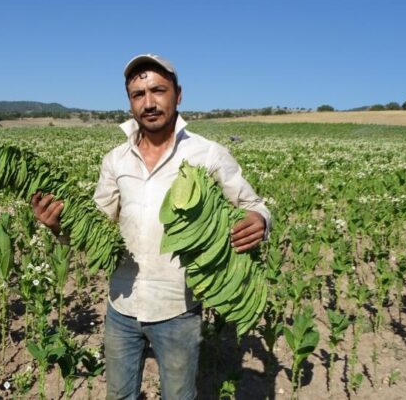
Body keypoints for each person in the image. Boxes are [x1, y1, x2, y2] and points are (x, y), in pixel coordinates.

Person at [32, 54, 271, 400]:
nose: (149, 102)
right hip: (121, 307)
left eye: (158, 90)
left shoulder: (208, 155)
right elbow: (97, 228)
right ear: (130, 102)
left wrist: (260, 221)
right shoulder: (115, 159)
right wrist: (59, 226)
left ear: (178, 94)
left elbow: (253, 205)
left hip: (178, 309)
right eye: (138, 94)